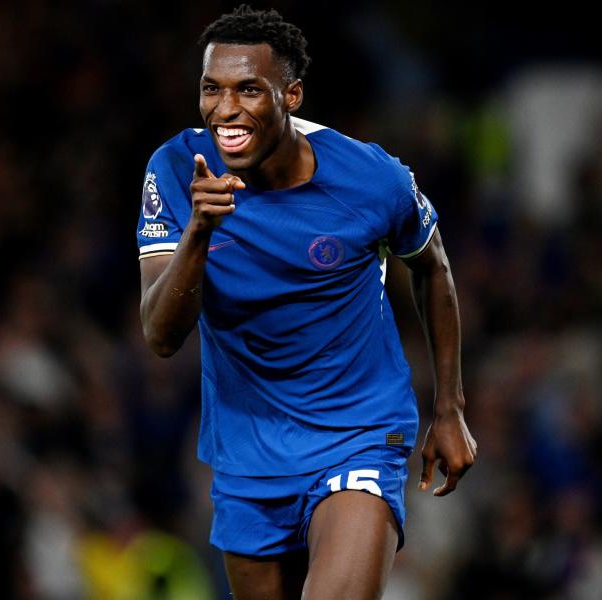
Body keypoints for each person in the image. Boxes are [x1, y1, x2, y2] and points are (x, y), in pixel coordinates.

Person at [137, 6, 476, 598]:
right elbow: (161, 336)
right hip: (248, 453)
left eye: (249, 89)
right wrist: (198, 232)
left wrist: (448, 407)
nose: (226, 109)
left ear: (291, 94)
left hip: (359, 430)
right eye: (211, 90)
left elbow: (434, 268)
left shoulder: (372, 179)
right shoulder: (174, 171)